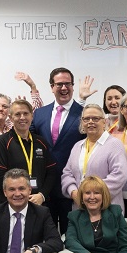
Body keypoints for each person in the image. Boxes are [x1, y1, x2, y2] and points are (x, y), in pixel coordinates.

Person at [30, 67, 85, 233]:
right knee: (46, 236)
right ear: (52, 87)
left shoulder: (83, 114)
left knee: (73, 236)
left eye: (68, 84)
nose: (64, 88)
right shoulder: (39, 114)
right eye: (59, 84)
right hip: (44, 188)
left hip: (72, 187)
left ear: (73, 86)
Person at [0, 99, 58, 206]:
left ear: (32, 116)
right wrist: (18, 195)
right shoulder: (3, 142)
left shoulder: (41, 142)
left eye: (26, 113)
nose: (22, 117)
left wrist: (42, 195)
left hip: (38, 202)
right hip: (13, 202)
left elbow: (51, 172)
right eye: (17, 114)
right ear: (11, 118)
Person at [61, 104, 127, 210]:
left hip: (107, 209)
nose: (90, 122)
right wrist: (74, 192)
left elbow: (119, 176)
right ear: (82, 122)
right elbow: (67, 174)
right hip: (80, 209)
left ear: (104, 122)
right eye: (86, 119)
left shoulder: (115, 145)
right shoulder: (77, 146)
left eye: (95, 118)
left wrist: (90, 196)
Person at [64, 176, 127, 253]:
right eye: (87, 193)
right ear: (82, 197)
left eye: (97, 193)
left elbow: (126, 246)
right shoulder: (75, 217)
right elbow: (70, 241)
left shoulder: (115, 212)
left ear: (103, 196)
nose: (92, 197)